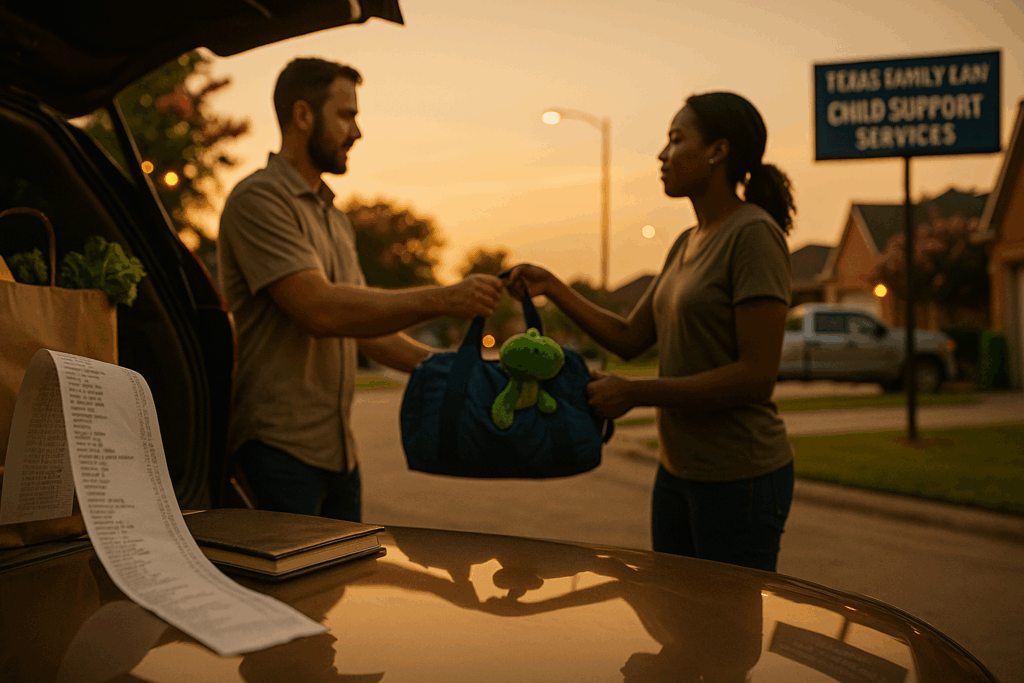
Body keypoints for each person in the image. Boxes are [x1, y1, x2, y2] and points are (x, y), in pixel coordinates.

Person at [505, 91, 796, 571]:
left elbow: (756, 375)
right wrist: (552, 286)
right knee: (679, 622)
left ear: (717, 152)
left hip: (740, 475)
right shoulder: (686, 242)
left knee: (725, 630)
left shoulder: (753, 235)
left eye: (676, 140)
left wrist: (638, 393)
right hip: (677, 471)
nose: (662, 155)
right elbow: (627, 337)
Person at [217, 58, 502, 522]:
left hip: (339, 455)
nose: (358, 132)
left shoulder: (332, 215)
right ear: (303, 115)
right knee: (288, 594)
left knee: (339, 588)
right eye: (346, 115)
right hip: (276, 451)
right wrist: (445, 298)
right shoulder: (258, 200)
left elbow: (364, 328)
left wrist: (449, 370)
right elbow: (320, 311)